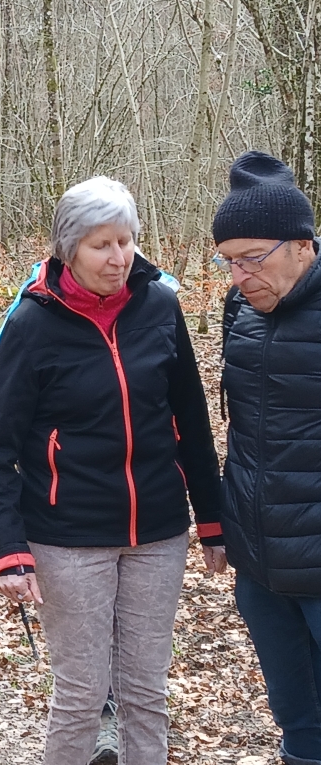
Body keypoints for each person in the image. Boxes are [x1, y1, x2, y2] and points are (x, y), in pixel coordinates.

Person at [0, 176, 225, 764]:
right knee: (83, 693)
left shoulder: (160, 305)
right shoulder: (32, 325)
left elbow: (191, 419)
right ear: (69, 249)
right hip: (69, 536)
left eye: (127, 241)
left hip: (158, 531)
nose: (119, 258)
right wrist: (8, 549)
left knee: (146, 691)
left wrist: (212, 520)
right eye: (101, 245)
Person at [213, 151, 321, 765]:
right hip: (260, 561)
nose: (239, 274)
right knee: (294, 716)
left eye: (253, 257)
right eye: (229, 260)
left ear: (303, 246)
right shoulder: (242, 314)